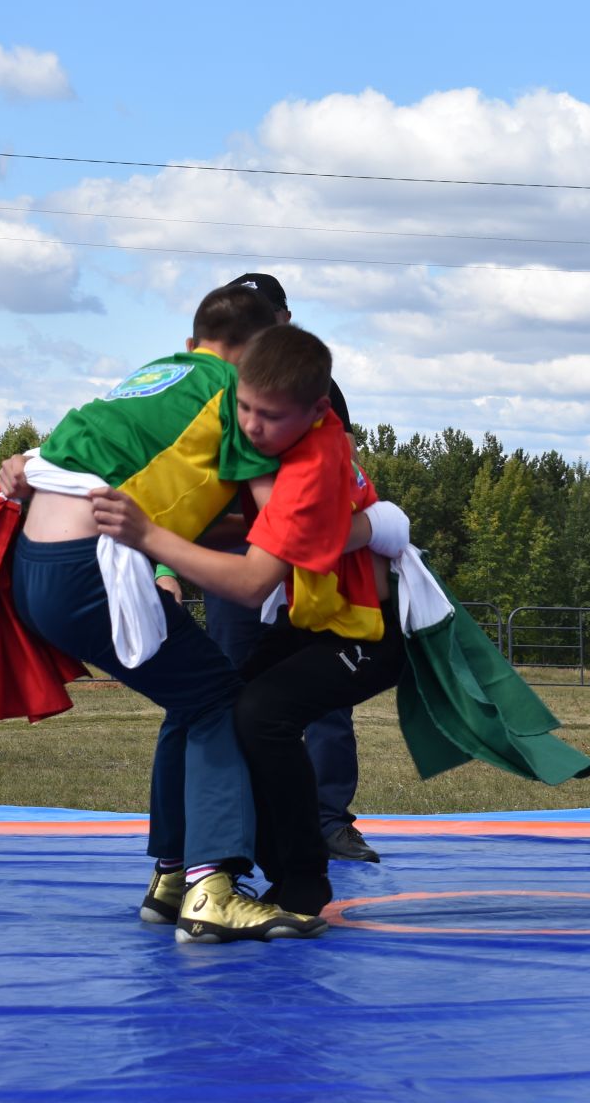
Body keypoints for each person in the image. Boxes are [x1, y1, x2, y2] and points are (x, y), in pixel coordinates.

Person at [0, 283, 327, 944]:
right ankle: (212, 889)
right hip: (90, 564)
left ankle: (172, 878)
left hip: (37, 562)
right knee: (220, 700)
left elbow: (98, 474)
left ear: (194, 339)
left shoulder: (155, 375)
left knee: (191, 696)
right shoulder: (238, 397)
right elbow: (275, 527)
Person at [95, 324, 403, 914]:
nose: (252, 426)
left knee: (261, 714)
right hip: (319, 623)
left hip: (368, 633)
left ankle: (300, 877)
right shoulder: (278, 451)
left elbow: (255, 576)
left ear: (315, 413)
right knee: (222, 703)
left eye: (269, 415)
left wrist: (148, 535)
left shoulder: (312, 468)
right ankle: (207, 866)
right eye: (244, 407)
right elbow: (232, 524)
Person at [187, 272, 379, 865]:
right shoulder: (207, 386)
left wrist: (360, 528)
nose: (252, 424)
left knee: (318, 693)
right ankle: (239, 829)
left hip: (297, 560)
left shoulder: (313, 388)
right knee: (230, 690)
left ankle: (324, 819)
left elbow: (329, 483)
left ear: (283, 322)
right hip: (242, 547)